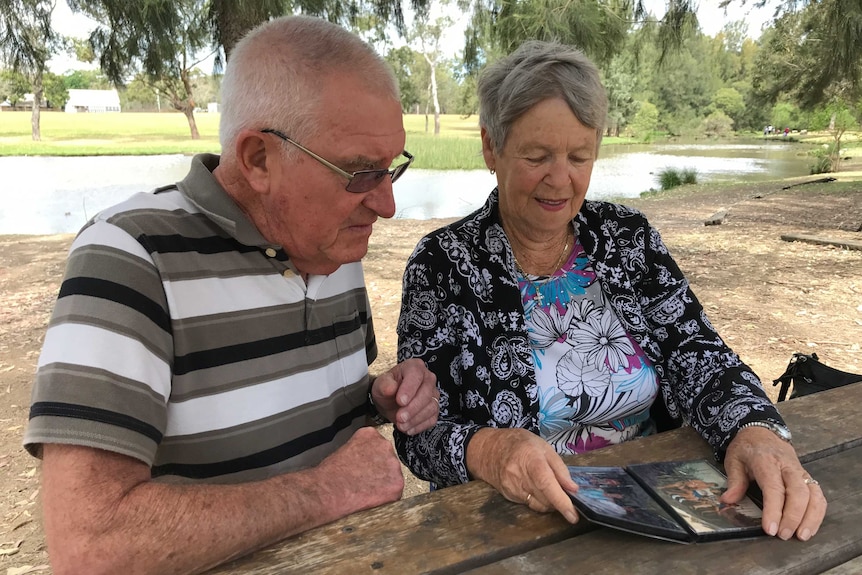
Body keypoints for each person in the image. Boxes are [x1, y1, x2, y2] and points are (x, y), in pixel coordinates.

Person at [23, 15, 439, 575]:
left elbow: (294, 400)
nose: (386, 204)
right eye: (360, 172)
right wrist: (321, 493)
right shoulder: (131, 256)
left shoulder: (332, 243)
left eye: (391, 169)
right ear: (259, 159)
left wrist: (376, 399)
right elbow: (92, 546)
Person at [394, 40, 826, 542]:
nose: (561, 179)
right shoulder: (443, 264)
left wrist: (751, 428)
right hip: (509, 525)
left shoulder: (627, 238)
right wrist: (490, 450)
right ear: (491, 147)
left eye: (580, 156)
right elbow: (419, 432)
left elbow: (697, 352)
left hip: (655, 508)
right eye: (537, 156)